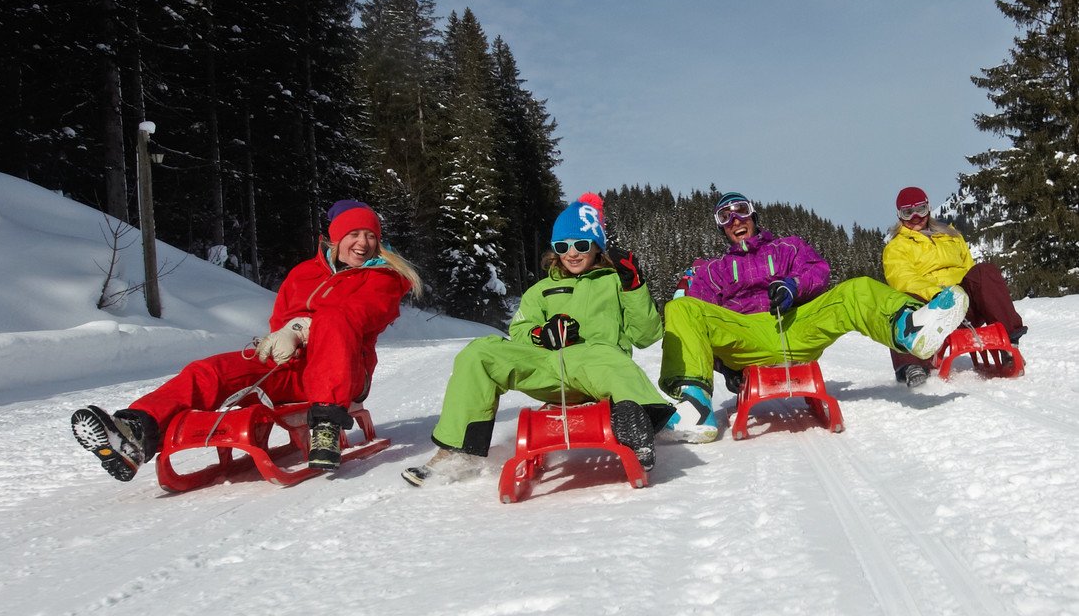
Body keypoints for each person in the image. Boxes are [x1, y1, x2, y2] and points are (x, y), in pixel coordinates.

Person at [71, 200, 422, 481]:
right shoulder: (303, 274)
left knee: (334, 317)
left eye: (370, 235)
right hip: (291, 370)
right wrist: (281, 337)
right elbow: (280, 321)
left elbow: (362, 314)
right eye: (354, 234)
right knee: (210, 371)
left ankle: (326, 426)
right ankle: (135, 431)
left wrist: (301, 329)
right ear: (335, 238)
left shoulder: (385, 278)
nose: (363, 243)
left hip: (343, 375)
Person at [402, 193, 675, 486]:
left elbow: (647, 336)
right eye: (563, 246)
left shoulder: (615, 282)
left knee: (604, 354)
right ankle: (457, 451)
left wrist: (634, 286)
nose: (572, 253)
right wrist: (541, 333)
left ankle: (640, 424)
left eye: (581, 245)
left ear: (597, 247)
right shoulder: (542, 290)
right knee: (480, 352)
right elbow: (519, 331)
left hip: (599, 366)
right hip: (549, 367)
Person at [660, 192, 970, 443]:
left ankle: (909, 328)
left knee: (855, 289)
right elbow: (697, 327)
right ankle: (695, 408)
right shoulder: (713, 271)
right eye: (725, 216)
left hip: (794, 324)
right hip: (745, 338)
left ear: (753, 214)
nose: (735, 220)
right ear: (721, 227)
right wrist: (726, 367)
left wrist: (793, 285)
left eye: (740, 210)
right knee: (681, 307)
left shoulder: (787, 247)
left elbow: (818, 270)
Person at [882, 186, 1026, 385]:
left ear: (929, 209)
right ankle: (911, 365)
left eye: (921, 210)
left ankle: (1010, 343)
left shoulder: (951, 235)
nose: (916, 217)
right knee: (903, 301)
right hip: (931, 311)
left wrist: (962, 294)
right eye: (908, 212)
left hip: (964, 306)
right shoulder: (896, 248)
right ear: (899, 215)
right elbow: (903, 279)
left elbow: (970, 271)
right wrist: (939, 295)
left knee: (984, 272)